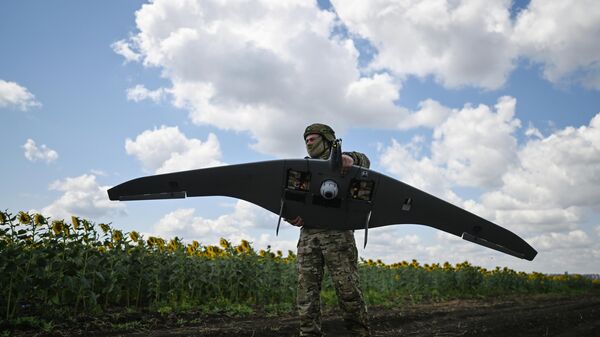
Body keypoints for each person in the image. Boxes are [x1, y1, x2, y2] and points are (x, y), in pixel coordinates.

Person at [287, 123, 371, 337]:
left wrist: (351, 158)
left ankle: (359, 333)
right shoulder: (302, 169)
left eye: (312, 139)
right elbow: (287, 199)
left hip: (338, 237)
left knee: (348, 291)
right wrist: (290, 216)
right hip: (308, 238)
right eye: (305, 140)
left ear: (327, 140)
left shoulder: (345, 163)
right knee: (306, 295)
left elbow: (364, 161)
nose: (308, 143)